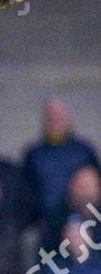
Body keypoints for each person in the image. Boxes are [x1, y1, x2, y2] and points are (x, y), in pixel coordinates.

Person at [23, 98, 97, 232]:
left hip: (86, 222)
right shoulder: (33, 155)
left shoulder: (84, 150)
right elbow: (27, 193)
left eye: (60, 115)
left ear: (68, 118)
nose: (56, 120)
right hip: (48, 226)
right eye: (51, 116)